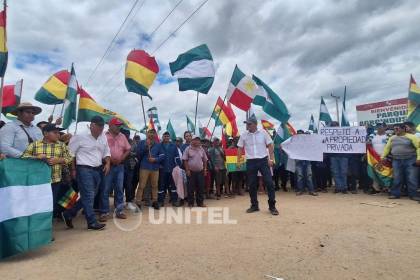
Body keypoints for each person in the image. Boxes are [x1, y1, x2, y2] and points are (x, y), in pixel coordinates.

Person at [62, 116, 111, 231]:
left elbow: (106, 151)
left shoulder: (103, 136)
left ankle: (68, 213)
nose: (101, 128)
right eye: (99, 126)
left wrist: (108, 163)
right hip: (83, 169)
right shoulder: (80, 136)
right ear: (92, 125)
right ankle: (92, 222)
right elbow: (70, 154)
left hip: (98, 169)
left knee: (89, 196)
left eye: (102, 126)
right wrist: (73, 170)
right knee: (89, 195)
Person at [22, 124, 73, 222]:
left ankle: (47, 229)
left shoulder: (61, 145)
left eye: (58, 133)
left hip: (56, 180)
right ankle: (38, 226)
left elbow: (70, 158)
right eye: (55, 133)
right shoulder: (35, 145)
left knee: (51, 204)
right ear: (45, 133)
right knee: (39, 205)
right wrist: (36, 157)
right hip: (39, 182)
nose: (58, 135)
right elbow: (23, 158)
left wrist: (59, 160)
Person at [237, 115, 279, 216]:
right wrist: (239, 161)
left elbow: (270, 145)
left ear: (255, 124)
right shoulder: (243, 135)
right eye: (247, 124)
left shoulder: (263, 133)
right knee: (251, 184)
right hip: (251, 162)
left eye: (249, 124)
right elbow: (239, 148)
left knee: (269, 183)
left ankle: (272, 206)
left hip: (263, 161)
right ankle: (254, 205)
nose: (247, 125)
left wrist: (272, 159)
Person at [99, 118, 131, 221]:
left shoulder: (122, 136)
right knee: (105, 189)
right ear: (110, 126)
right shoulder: (103, 135)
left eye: (119, 125)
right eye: (117, 125)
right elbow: (99, 150)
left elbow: (128, 149)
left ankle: (119, 211)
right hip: (107, 166)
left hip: (120, 166)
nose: (119, 127)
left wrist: (122, 158)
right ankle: (104, 212)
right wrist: (109, 159)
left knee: (119, 189)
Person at [381, 123, 420, 201]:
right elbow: (387, 148)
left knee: (412, 178)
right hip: (396, 160)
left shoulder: (412, 137)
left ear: (403, 129)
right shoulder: (392, 138)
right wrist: (382, 157)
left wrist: (419, 158)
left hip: (410, 159)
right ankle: (395, 194)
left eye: (397, 128)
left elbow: (418, 148)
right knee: (397, 177)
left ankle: (414, 195)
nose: (395, 130)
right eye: (394, 129)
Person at [135, 129, 165, 210]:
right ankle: (138, 202)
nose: (151, 134)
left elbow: (162, 155)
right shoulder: (142, 143)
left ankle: (155, 201)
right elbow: (138, 154)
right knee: (141, 185)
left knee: (155, 185)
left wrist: (155, 159)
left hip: (155, 168)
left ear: (155, 134)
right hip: (144, 167)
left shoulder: (158, 144)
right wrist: (145, 147)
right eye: (150, 132)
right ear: (147, 133)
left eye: (153, 133)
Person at [182, 136, 208, 207]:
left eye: (198, 140)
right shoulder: (188, 149)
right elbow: (185, 160)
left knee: (200, 187)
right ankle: (190, 203)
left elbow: (205, 160)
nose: (197, 141)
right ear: (192, 141)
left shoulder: (201, 149)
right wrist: (187, 170)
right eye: (195, 140)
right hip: (191, 172)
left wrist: (205, 169)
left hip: (200, 172)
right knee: (190, 188)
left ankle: (200, 203)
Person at [158, 131, 179, 206]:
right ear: (162, 137)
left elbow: (177, 157)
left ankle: (174, 200)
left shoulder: (173, 146)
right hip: (162, 170)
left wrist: (178, 166)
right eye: (165, 136)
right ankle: (160, 201)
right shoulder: (159, 146)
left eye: (167, 136)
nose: (166, 137)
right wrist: (159, 165)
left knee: (173, 186)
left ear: (169, 137)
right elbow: (157, 157)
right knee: (161, 185)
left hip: (172, 169)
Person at [295, 130, 318, 196]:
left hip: (307, 162)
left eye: (301, 134)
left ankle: (311, 190)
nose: (300, 135)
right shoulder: (294, 143)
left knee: (309, 176)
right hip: (299, 162)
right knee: (300, 176)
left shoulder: (308, 142)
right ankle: (300, 190)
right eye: (298, 134)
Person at [328, 121, 349, 194]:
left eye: (335, 125)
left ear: (338, 126)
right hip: (333, 156)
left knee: (343, 172)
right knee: (335, 172)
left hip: (343, 156)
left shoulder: (344, 133)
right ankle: (338, 187)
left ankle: (344, 187)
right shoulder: (329, 134)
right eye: (332, 126)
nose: (333, 127)